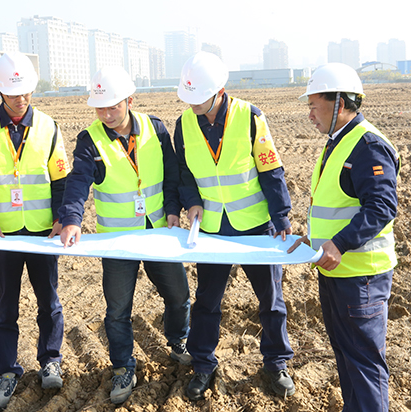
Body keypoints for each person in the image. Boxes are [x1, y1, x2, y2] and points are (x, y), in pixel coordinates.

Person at [56, 66, 191, 404]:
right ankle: (122, 367)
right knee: (117, 310)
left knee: (178, 296)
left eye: (112, 106)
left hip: (158, 230)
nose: (105, 114)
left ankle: (179, 342)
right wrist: (72, 218)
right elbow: (78, 182)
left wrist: (173, 208)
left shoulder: (156, 128)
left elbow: (172, 174)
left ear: (130, 100)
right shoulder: (91, 139)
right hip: (117, 241)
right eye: (99, 108)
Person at [174, 51, 295, 401]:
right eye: (189, 98)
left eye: (199, 98)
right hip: (212, 226)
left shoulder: (251, 117)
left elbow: (271, 170)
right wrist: (191, 201)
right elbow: (184, 173)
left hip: (256, 225)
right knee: (207, 301)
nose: (194, 105)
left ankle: (276, 363)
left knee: (271, 301)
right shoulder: (184, 124)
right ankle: (203, 363)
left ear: (220, 91)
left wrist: (281, 216)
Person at [288, 62, 399, 411]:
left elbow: (381, 206)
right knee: (348, 359)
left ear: (339, 102)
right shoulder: (338, 142)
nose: (309, 115)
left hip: (361, 276)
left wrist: (338, 244)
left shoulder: (366, 146)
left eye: (313, 105)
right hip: (336, 271)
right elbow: (337, 205)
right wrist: (314, 238)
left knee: (364, 365)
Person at [0, 52, 69, 411]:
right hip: (2, 236)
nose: (19, 100)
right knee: (5, 307)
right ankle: (7, 372)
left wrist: (59, 217)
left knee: (48, 302)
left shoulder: (50, 126)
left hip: (42, 234)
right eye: (12, 94)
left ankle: (50, 360)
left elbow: (61, 180)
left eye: (24, 93)